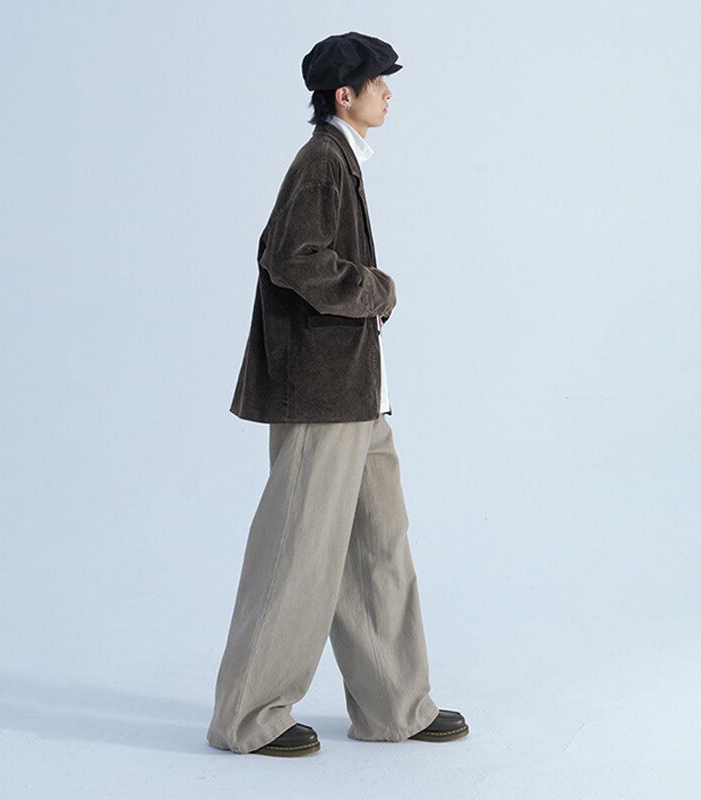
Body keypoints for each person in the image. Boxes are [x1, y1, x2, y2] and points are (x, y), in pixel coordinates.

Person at [205, 31, 468, 757]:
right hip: (322, 395)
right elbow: (290, 257)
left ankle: (394, 707)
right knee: (297, 551)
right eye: (379, 82)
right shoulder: (322, 160)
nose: (389, 92)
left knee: (377, 545)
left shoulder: (341, 160)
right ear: (343, 95)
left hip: (356, 394)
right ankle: (247, 718)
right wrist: (374, 289)